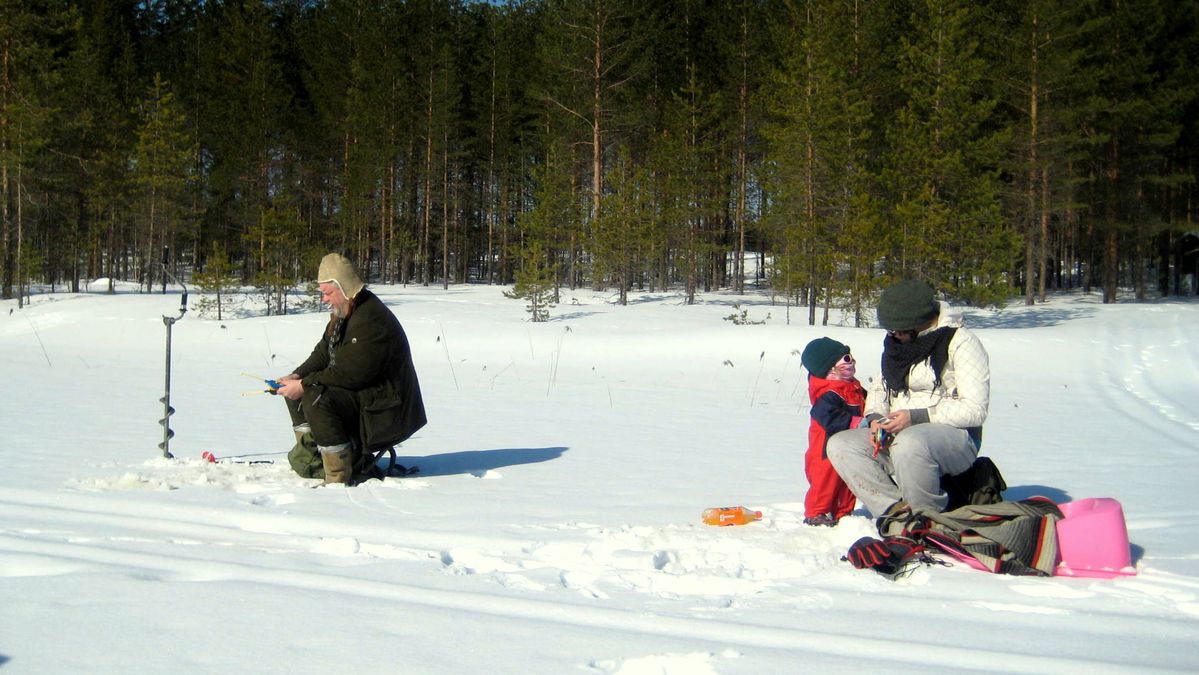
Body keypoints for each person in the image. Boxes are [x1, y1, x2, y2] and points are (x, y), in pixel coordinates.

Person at [827, 279, 989, 517]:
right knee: (841, 445)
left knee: (910, 442)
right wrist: (875, 419)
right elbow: (881, 386)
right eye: (890, 330)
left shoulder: (961, 342)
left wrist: (917, 417)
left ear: (919, 323)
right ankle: (896, 513)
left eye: (898, 331)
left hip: (956, 438)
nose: (893, 336)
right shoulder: (895, 345)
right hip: (899, 431)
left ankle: (926, 517)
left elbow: (975, 410)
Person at [277, 253, 426, 485]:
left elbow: (351, 373)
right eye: (323, 293)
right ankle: (314, 458)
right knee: (297, 392)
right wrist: (297, 376)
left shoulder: (370, 319)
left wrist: (305, 384)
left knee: (316, 397)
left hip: (389, 409)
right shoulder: (344, 312)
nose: (324, 299)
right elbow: (323, 352)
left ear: (345, 288)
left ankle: (338, 475)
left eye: (328, 293)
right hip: (368, 398)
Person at [800, 337, 867, 527]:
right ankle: (816, 512)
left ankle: (844, 512)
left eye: (851, 357)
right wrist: (855, 422)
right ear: (830, 368)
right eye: (846, 359)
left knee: (849, 478)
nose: (852, 362)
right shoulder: (828, 392)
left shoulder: (853, 387)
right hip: (824, 449)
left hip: (849, 445)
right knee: (825, 480)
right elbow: (826, 415)